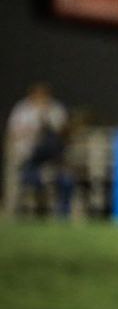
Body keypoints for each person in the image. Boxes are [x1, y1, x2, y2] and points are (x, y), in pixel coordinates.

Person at [5, 83, 71, 218]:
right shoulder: (22, 109)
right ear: (32, 95)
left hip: (50, 156)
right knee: (24, 178)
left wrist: (45, 116)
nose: (40, 98)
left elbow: (63, 132)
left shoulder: (54, 109)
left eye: (44, 95)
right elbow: (13, 133)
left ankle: (61, 214)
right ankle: (14, 212)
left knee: (65, 179)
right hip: (25, 155)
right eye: (37, 95)